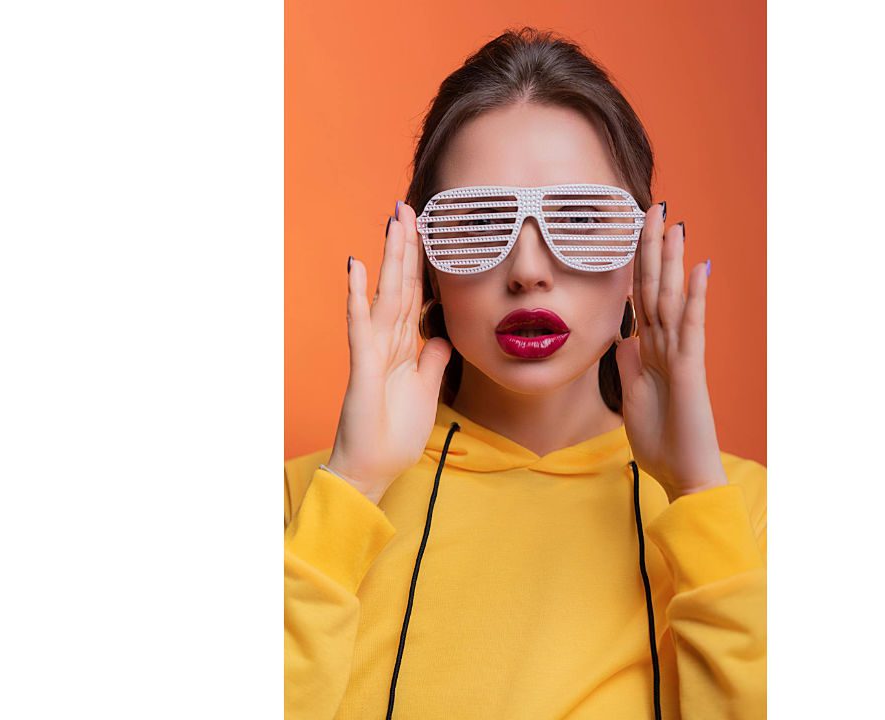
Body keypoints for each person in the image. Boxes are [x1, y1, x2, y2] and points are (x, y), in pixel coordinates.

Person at [285, 27, 766, 719]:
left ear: (641, 248)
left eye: (578, 218)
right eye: (478, 222)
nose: (530, 270)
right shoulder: (310, 504)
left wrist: (696, 498)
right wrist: (352, 487)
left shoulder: (744, 515)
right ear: (423, 259)